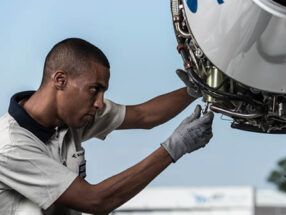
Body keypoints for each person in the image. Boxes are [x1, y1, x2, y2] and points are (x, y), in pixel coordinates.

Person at [0, 38, 214, 215]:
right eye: (94, 89)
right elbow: (95, 201)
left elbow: (145, 115)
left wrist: (198, 88)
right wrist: (174, 147)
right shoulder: (10, 147)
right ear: (60, 80)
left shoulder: (72, 116)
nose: (100, 102)